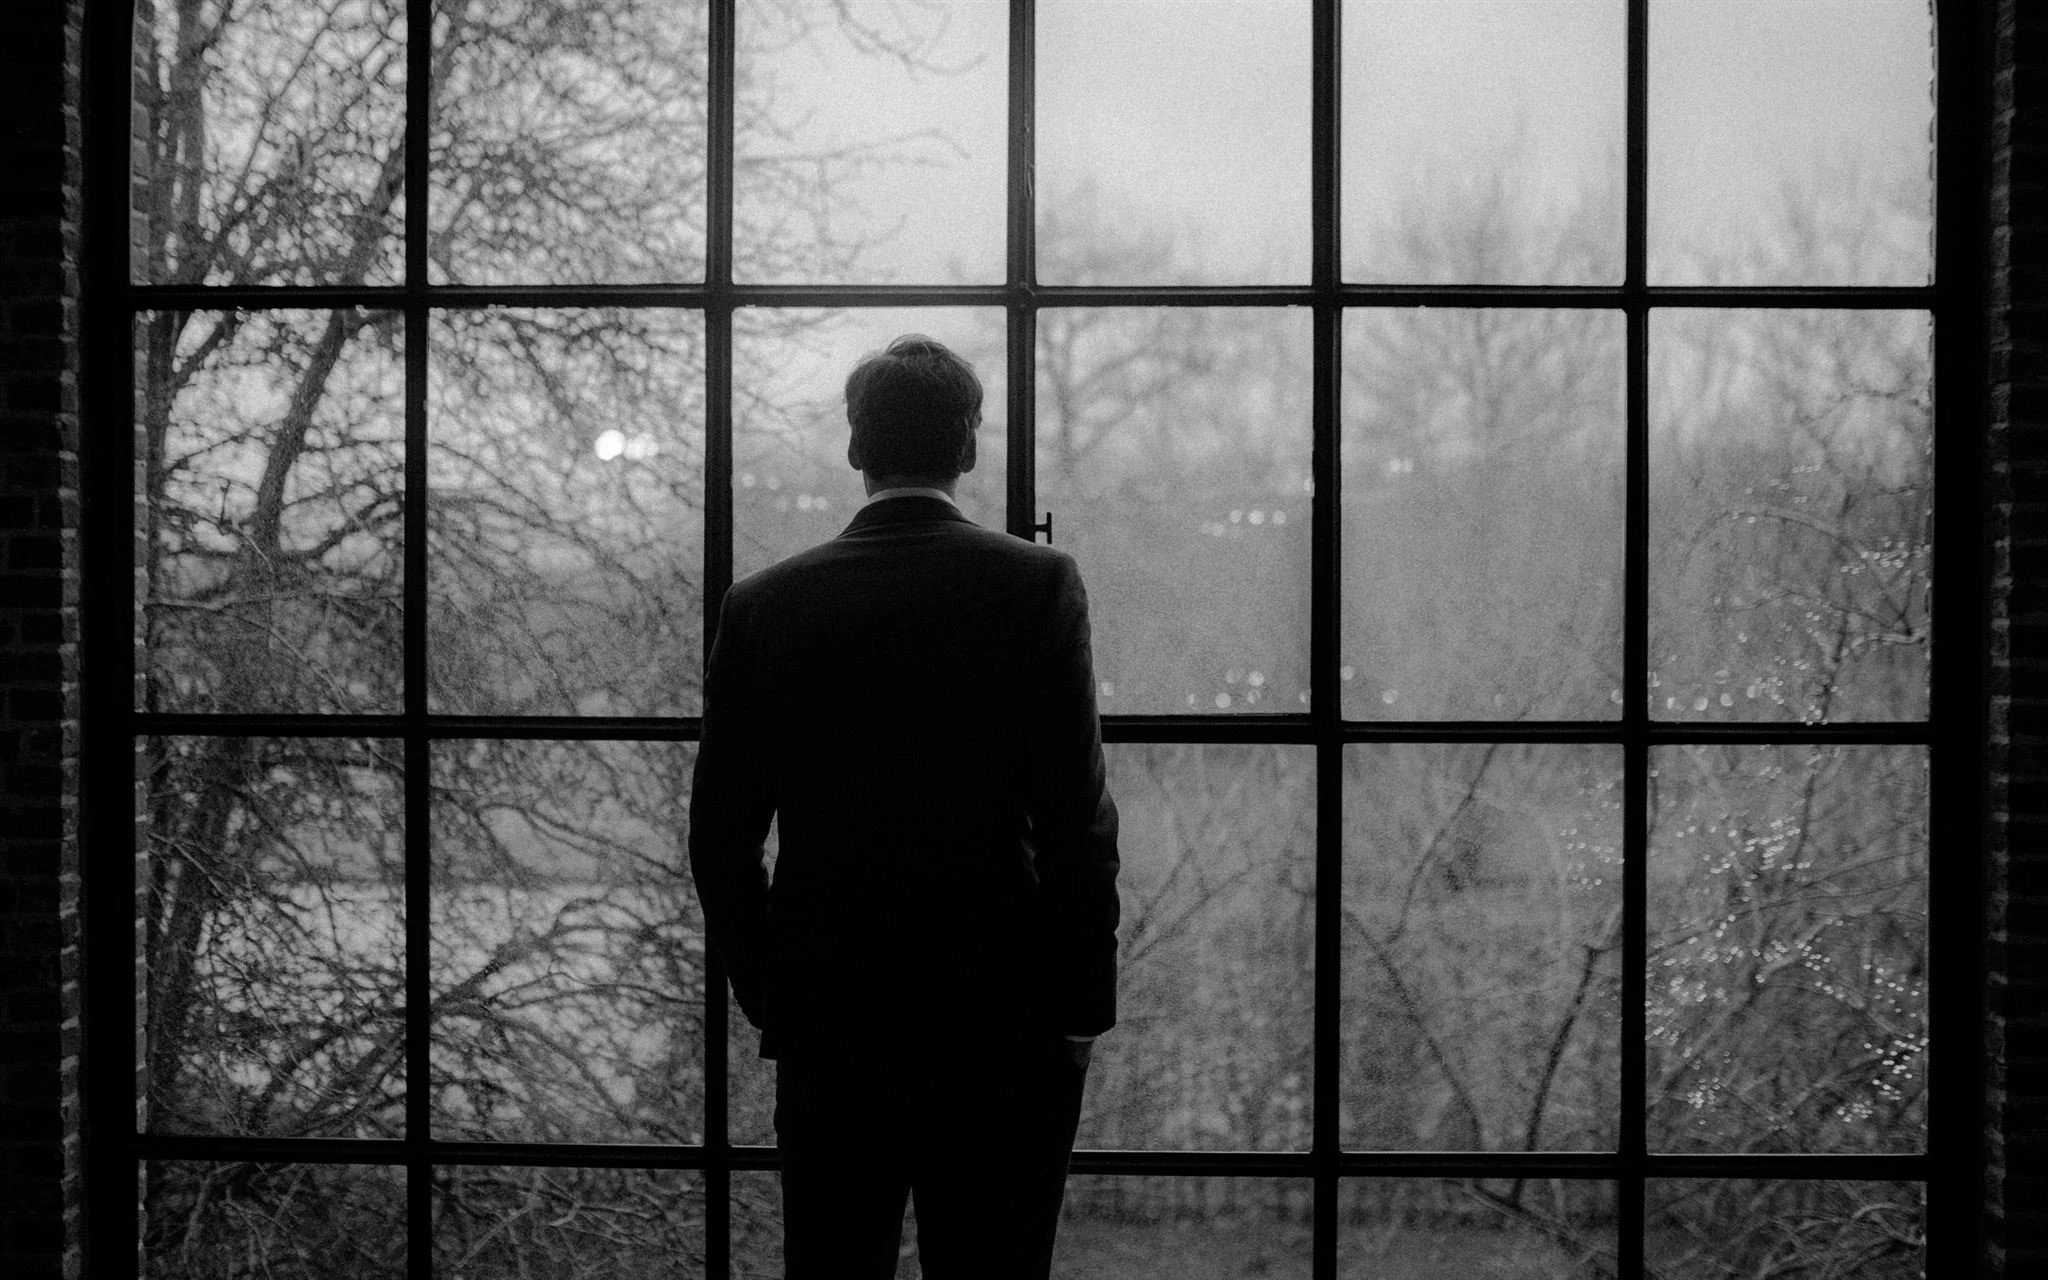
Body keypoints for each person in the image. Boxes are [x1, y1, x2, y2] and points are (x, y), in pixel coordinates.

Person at [688, 334, 1122, 1278]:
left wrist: (780, 996)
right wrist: (1082, 1009)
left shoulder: (761, 605)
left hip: (832, 1028)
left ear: (856, 449)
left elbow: (720, 845)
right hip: (1002, 1025)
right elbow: (1077, 823)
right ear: (968, 450)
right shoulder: (1036, 586)